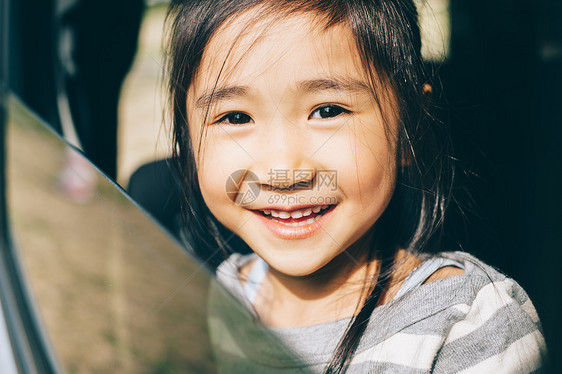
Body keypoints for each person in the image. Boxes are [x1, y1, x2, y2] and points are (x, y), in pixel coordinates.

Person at [164, 0, 547, 372]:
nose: (283, 168)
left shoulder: (467, 325)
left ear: (410, 127)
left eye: (328, 111)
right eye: (235, 117)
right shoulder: (218, 297)